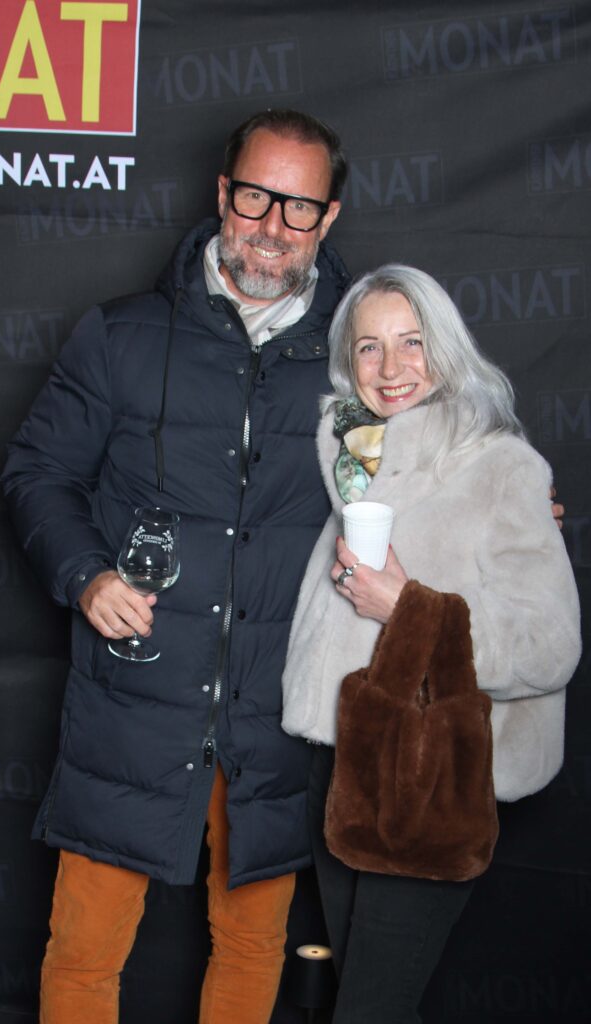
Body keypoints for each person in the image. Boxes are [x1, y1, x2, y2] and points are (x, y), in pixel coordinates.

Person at [1, 108, 348, 1024]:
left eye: (298, 206)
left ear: (328, 218)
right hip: (133, 702)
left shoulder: (363, 353)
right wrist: (86, 574)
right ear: (222, 193)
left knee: (252, 946)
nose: (272, 225)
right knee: (83, 953)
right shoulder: (121, 335)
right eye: (255, 196)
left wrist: (510, 505)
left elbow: (435, 474)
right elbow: (36, 472)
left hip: (275, 710)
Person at [281, 264, 581, 1024]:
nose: (390, 368)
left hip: (429, 774)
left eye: (411, 342)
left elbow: (549, 644)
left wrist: (406, 609)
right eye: (369, 347)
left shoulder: (500, 465)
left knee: (369, 1012)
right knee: (365, 1001)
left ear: (445, 348)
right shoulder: (353, 459)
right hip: (340, 764)